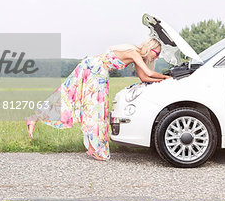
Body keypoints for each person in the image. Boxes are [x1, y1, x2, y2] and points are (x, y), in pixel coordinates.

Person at [25, 38, 170, 161]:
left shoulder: (137, 56)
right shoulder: (134, 52)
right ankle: (96, 148)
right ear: (150, 48)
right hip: (95, 69)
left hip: (95, 69)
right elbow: (149, 72)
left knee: (83, 102)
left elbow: (144, 78)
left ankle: (94, 146)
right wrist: (168, 77)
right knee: (94, 108)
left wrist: (162, 81)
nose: (157, 57)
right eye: (157, 53)